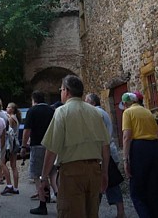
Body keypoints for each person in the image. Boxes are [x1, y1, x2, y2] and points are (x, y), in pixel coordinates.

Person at [40, 75, 110, 218]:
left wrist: (44, 177)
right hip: (94, 170)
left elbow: (52, 148)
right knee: (92, 213)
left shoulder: (62, 111)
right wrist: (104, 172)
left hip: (72, 172)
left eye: (61, 89)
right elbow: (105, 146)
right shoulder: (95, 112)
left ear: (66, 91)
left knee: (70, 212)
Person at [122, 91, 158, 217]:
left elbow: (127, 136)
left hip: (139, 148)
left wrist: (125, 159)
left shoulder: (128, 112)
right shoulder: (147, 112)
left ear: (126, 103)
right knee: (154, 189)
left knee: (137, 192)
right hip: (154, 147)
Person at [85, 92, 125, 218]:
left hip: (103, 152)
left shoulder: (96, 114)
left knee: (102, 183)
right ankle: (118, 211)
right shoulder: (103, 112)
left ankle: (95, 212)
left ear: (92, 103)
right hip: (108, 150)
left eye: (86, 101)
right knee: (109, 183)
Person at [20, 90, 55, 215]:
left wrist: (24, 146)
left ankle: (42, 202)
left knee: (37, 175)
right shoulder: (52, 110)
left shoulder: (32, 111)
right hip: (51, 145)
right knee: (52, 172)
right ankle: (55, 195)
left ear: (34, 99)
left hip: (37, 144)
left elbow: (27, 130)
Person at [1, 102, 21, 196]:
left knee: (2, 163)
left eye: (8, 107)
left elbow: (7, 130)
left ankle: (9, 185)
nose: (6, 108)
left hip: (11, 144)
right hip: (16, 143)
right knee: (13, 166)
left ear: (12, 109)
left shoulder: (11, 118)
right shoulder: (16, 118)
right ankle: (16, 187)